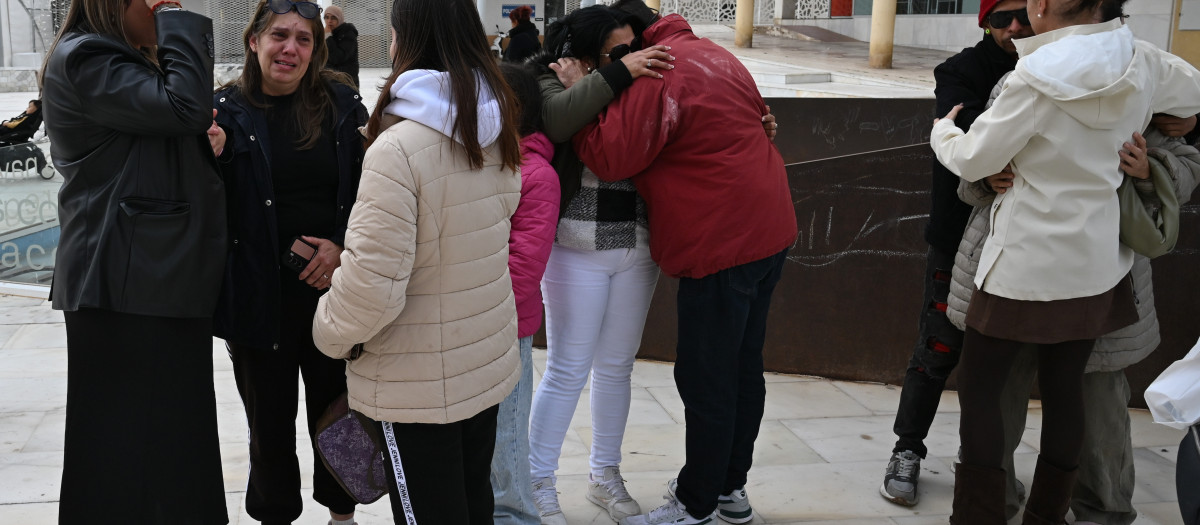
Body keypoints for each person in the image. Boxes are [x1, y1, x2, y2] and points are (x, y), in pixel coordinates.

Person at [929, 0, 1200, 520]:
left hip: (1020, 266)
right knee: (1066, 394)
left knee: (982, 392)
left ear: (1045, 5)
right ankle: (1046, 517)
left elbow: (971, 159)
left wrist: (944, 131)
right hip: (1098, 266)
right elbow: (1189, 97)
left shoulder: (1030, 78)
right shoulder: (1144, 61)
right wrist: (1175, 120)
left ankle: (978, 517)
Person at [569, 2, 797, 523]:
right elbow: (759, 120)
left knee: (708, 378)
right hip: (770, 228)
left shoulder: (658, 69)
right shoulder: (712, 52)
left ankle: (696, 504)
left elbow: (610, 156)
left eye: (620, 50)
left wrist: (583, 98)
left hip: (721, 238)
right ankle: (729, 489)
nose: (621, 60)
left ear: (641, 35)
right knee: (742, 368)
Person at [310, 0, 523, 522]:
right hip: (482, 365)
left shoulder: (398, 149)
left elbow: (371, 288)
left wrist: (328, 332)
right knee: (474, 501)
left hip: (417, 385)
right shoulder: (493, 128)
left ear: (407, 41)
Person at [40, 0, 229, 521]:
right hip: (129, 283)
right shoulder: (89, 57)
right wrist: (176, 17)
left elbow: (165, 130)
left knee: (163, 450)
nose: (168, 5)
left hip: (148, 279)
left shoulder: (109, 58)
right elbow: (185, 107)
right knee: (120, 457)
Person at [212, 0, 367, 523]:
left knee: (338, 414)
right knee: (268, 423)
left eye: (304, 39)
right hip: (260, 295)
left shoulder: (341, 104)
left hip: (331, 293)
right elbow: (210, 206)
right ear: (253, 41)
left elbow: (372, 193)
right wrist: (205, 155)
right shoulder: (223, 112)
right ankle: (274, 515)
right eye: (279, 35)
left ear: (316, 50)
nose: (291, 48)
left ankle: (341, 515)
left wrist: (341, 244)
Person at [878, 0, 1033, 511]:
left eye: (1022, 16)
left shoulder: (1053, 64)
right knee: (939, 347)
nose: (1013, 27)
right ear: (983, 23)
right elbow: (962, 130)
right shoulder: (961, 69)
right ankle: (906, 450)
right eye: (1000, 17)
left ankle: (991, 469)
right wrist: (985, 167)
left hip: (1029, 239)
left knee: (1007, 362)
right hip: (959, 234)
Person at [525, 6, 675, 523]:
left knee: (616, 368)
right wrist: (612, 76)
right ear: (584, 53)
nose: (632, 57)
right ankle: (537, 478)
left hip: (637, 245)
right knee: (567, 369)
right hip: (574, 246)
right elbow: (560, 119)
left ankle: (604, 475)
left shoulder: (643, 79)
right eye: (619, 50)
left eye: (635, 47)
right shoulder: (549, 80)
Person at [490, 60, 561, 525]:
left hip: (506, 327)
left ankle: (516, 517)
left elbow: (523, 268)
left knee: (507, 437)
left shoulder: (536, 175)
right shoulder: (480, 163)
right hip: (470, 326)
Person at [323, 5, 358, 88]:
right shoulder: (326, 33)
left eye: (333, 18)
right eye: (326, 17)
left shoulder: (348, 33)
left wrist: (328, 37)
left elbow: (337, 58)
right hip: (328, 81)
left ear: (340, 19)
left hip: (346, 81)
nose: (329, 21)